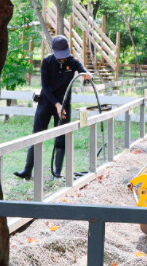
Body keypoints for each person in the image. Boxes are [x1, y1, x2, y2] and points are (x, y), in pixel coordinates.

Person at [14, 36, 92, 180]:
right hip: (46, 102)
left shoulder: (72, 61)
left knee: (61, 137)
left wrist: (87, 75)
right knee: (37, 135)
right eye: (60, 56)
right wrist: (56, 105)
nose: (63, 59)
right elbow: (46, 87)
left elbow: (82, 70)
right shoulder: (47, 62)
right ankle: (27, 169)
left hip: (64, 103)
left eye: (64, 56)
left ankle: (57, 173)